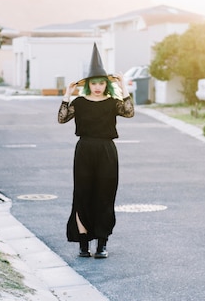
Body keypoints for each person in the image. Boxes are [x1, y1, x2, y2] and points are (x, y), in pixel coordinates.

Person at [58, 43, 135, 259]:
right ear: (88, 84)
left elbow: (129, 112)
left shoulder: (112, 103)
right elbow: (62, 118)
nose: (98, 87)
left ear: (106, 85)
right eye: (94, 83)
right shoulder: (80, 102)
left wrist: (123, 87)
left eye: (102, 83)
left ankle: (102, 243)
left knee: (105, 195)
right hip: (84, 150)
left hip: (107, 151)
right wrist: (67, 94)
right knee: (82, 194)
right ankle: (83, 244)